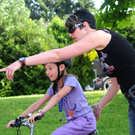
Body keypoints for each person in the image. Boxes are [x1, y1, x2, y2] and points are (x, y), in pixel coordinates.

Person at [0, 9, 135, 134]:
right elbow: (116, 83)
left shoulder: (99, 35)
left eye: (72, 29)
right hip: (131, 99)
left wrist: (22, 62)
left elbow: (58, 55)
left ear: (85, 25)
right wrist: (99, 106)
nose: (70, 34)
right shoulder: (102, 50)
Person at [6, 59, 96, 135]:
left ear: (61, 67)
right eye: (46, 69)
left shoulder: (71, 80)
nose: (47, 72)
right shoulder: (54, 87)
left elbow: (58, 96)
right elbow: (37, 104)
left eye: (50, 68)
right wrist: (18, 118)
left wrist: (41, 112)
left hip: (85, 121)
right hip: (72, 123)